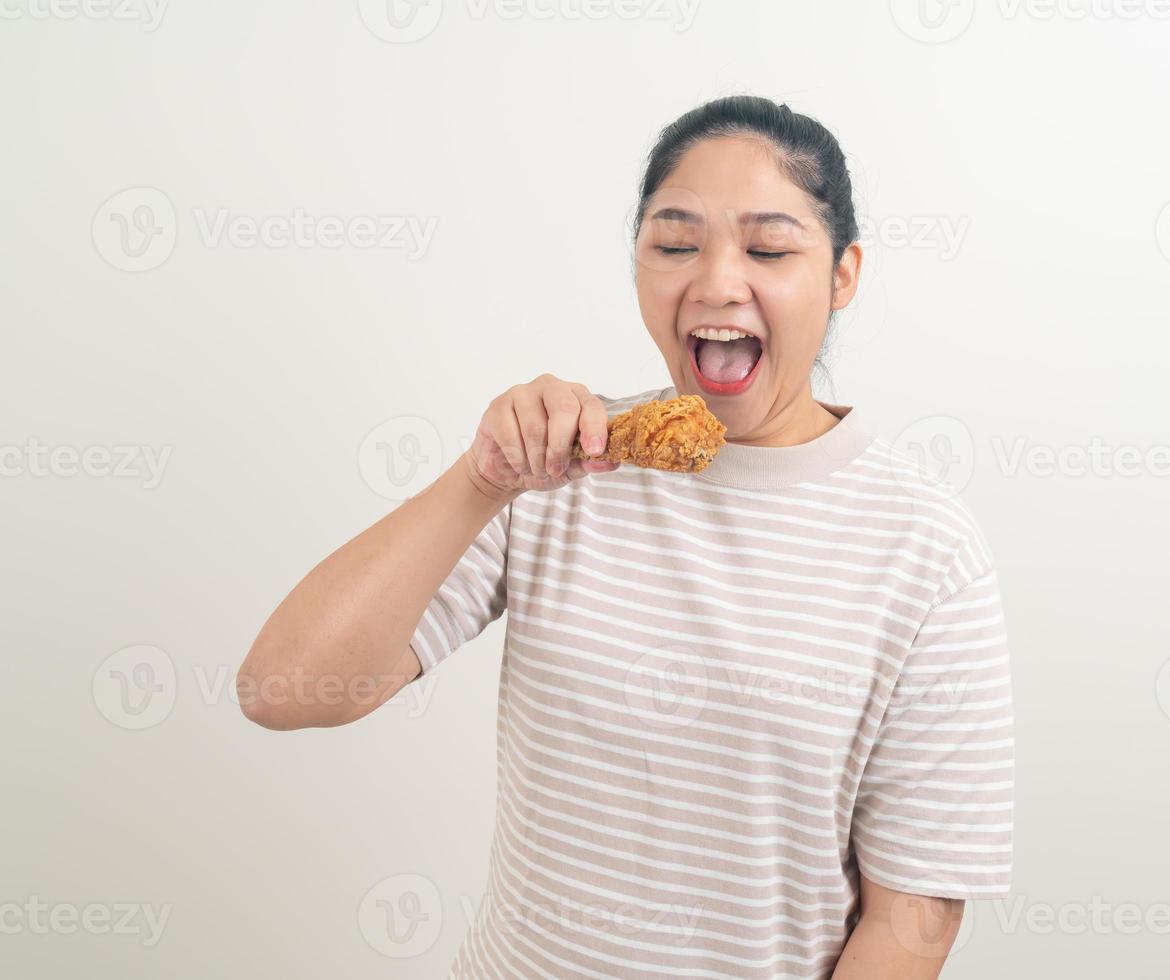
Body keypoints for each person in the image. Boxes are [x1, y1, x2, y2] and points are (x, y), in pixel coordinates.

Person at [239, 95, 1014, 979]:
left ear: (842, 275)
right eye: (676, 243)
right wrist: (481, 481)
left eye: (768, 248)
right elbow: (283, 690)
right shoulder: (561, 470)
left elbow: (913, 921)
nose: (719, 282)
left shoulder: (927, 549)